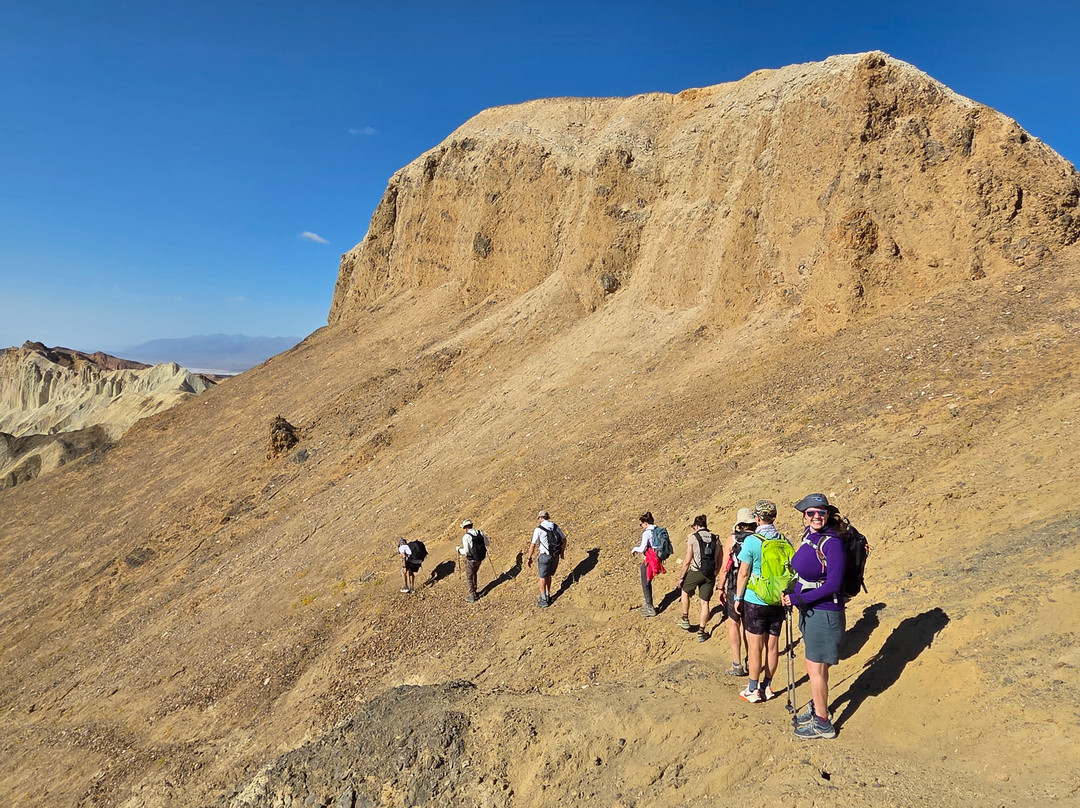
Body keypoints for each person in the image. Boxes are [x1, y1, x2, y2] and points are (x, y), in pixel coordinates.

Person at [782, 493, 847, 740]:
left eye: (821, 512)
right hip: (812, 612)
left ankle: (823, 723)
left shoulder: (833, 542)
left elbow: (833, 584)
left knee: (815, 668)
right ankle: (818, 707)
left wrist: (799, 599)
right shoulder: (810, 536)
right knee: (817, 667)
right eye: (811, 512)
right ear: (804, 515)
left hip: (824, 613)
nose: (816, 516)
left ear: (828, 514)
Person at [733, 500, 787, 703]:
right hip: (778, 600)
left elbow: (743, 572)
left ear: (757, 518)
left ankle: (753, 688)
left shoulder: (752, 541)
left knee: (755, 647)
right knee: (773, 646)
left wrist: (738, 598)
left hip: (755, 600)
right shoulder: (783, 540)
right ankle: (768, 686)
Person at [721, 507, 756, 676]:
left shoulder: (732, 539)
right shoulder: (759, 539)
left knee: (734, 623)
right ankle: (751, 661)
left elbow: (724, 567)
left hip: (734, 585)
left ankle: (737, 664)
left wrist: (720, 587)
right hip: (753, 587)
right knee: (749, 626)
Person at [675, 514, 720, 642]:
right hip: (710, 573)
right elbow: (719, 558)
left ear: (696, 526)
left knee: (685, 592)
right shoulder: (716, 538)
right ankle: (701, 632)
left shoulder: (693, 538)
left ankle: (685, 619)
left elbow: (687, 561)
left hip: (695, 571)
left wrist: (681, 577)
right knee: (705, 602)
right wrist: (716, 572)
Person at [527, 510, 566, 608]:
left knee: (542, 577)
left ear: (541, 518)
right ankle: (548, 595)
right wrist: (562, 552)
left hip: (544, 555)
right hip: (555, 555)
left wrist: (529, 557)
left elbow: (533, 545)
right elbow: (564, 539)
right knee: (549, 575)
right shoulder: (555, 527)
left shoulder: (538, 529)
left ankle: (543, 599)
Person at [630, 511, 665, 617]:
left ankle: (649, 607)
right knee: (647, 581)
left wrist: (634, 549)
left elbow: (642, 548)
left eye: (641, 524)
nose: (641, 527)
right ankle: (648, 604)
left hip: (650, 559)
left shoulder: (647, 533)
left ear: (645, 523)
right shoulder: (657, 529)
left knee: (645, 582)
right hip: (657, 557)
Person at [457, 519, 489, 603]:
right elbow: (487, 543)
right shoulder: (480, 532)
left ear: (465, 528)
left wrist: (459, 550)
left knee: (469, 576)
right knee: (474, 573)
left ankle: (472, 595)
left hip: (471, 559)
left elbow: (466, 551)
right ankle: (475, 592)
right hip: (480, 558)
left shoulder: (466, 537)